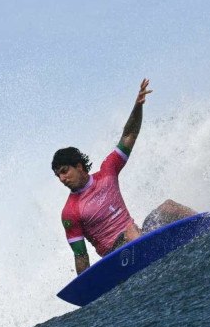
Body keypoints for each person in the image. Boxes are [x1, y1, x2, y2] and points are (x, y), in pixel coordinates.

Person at [52, 79, 196, 275]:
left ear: (79, 166)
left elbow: (129, 134)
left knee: (168, 206)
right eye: (58, 175)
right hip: (116, 256)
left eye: (64, 171)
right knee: (130, 232)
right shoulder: (70, 212)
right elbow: (81, 256)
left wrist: (137, 105)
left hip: (138, 237)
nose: (62, 179)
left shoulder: (107, 172)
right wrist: (87, 290)